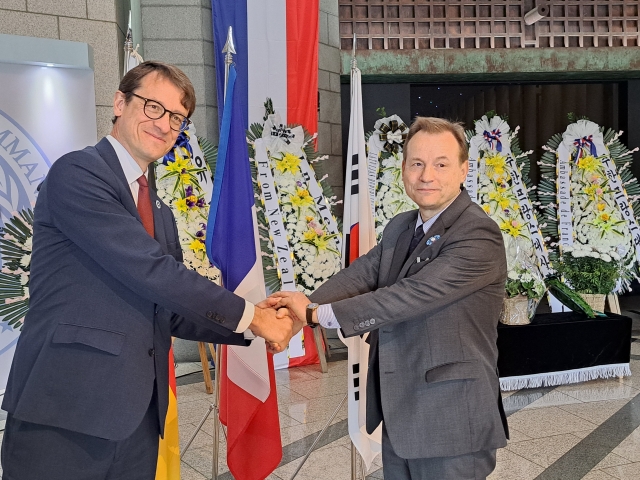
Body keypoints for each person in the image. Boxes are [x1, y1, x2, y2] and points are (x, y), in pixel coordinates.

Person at [1, 61, 293, 480]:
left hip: (137, 417)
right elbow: (151, 271)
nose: (165, 124)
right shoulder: (79, 172)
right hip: (66, 412)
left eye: (177, 117)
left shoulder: (159, 209)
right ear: (120, 103)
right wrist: (254, 316)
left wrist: (252, 327)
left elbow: (168, 310)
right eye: (154, 107)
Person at [269, 117, 509, 479]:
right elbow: (362, 274)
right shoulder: (402, 225)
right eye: (417, 163)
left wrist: (316, 315)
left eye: (441, 164)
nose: (426, 175)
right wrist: (297, 310)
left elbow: (407, 297)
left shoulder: (478, 234)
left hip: (451, 420)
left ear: (463, 170)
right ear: (403, 170)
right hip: (402, 411)